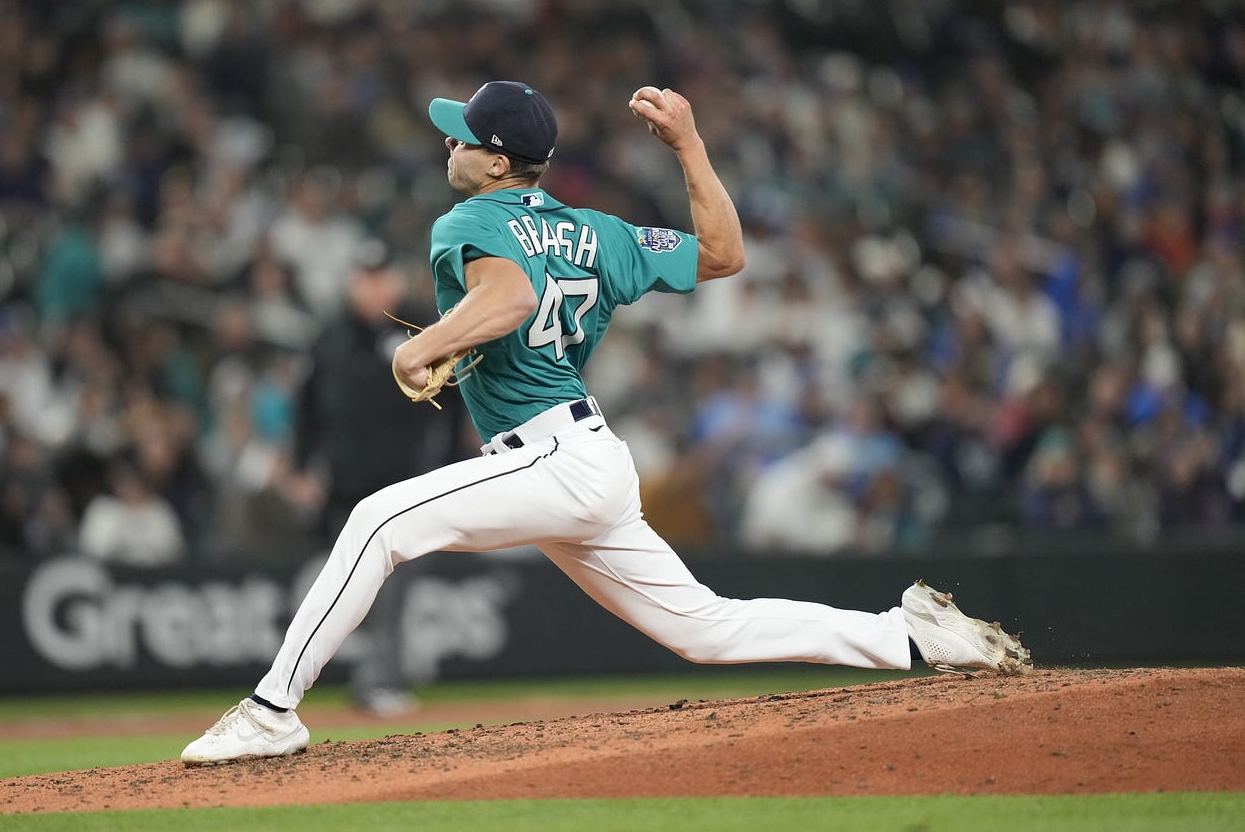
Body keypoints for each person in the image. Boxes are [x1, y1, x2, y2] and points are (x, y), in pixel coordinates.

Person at [181, 81, 1031, 764]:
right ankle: (908, 633)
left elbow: (509, 298)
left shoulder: (469, 218)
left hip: (550, 455)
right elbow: (725, 252)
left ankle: (270, 710)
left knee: (376, 520)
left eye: (462, 136)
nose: (450, 144)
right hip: (588, 459)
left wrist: (419, 349)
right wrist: (691, 147)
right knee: (704, 626)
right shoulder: (599, 232)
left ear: (498, 158)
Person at [289, 239, 467, 716]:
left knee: (393, 587)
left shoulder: (422, 329)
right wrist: (302, 466)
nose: (372, 288)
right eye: (364, 279)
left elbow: (453, 405)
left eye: (380, 277)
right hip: (344, 488)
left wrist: (453, 465)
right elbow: (305, 409)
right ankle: (361, 678)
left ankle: (379, 681)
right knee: (349, 588)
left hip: (407, 485)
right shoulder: (329, 338)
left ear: (396, 280)